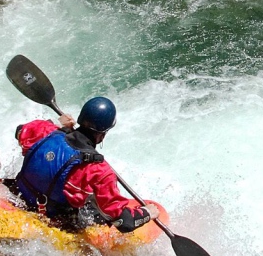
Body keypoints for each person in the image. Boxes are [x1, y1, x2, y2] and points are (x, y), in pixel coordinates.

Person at [10, 96, 159, 233]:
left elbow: (19, 131)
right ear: (102, 134)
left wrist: (60, 127)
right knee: (94, 208)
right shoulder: (99, 170)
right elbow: (123, 223)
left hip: (16, 196)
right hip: (50, 219)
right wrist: (146, 213)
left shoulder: (45, 131)